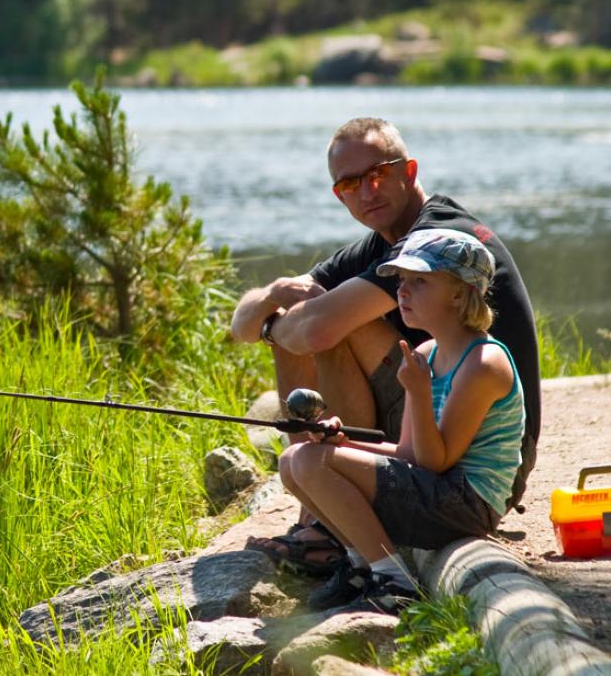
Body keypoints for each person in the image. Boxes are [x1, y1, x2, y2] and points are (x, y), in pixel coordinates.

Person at [231, 118, 540, 587]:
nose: (367, 191)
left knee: (327, 327)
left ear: (409, 170)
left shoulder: (441, 242)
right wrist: (276, 294)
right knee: (304, 443)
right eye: (350, 183)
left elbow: (317, 332)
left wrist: (282, 328)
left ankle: (366, 561)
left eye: (379, 173)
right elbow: (241, 327)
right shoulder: (378, 252)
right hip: (427, 436)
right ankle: (329, 526)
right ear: (339, 193)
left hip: (477, 462)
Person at [277, 228, 525, 614]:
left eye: (420, 282)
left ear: (459, 293)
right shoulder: (426, 352)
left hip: (467, 503)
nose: (403, 292)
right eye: (403, 281)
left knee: (311, 462)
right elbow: (409, 452)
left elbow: (434, 462)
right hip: (437, 488)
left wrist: (420, 394)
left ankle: (393, 580)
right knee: (295, 459)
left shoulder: (483, 364)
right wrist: (342, 443)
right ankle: (360, 565)